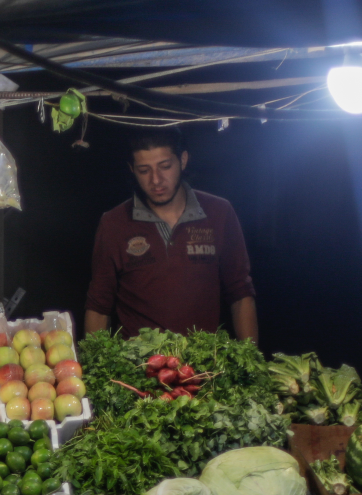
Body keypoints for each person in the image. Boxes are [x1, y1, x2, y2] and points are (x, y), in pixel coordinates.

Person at [85, 129, 259, 340]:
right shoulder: (114, 223)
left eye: (165, 167)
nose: (156, 180)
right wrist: (94, 367)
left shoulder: (219, 212)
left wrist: (250, 359)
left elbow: (241, 294)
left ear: (183, 160)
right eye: (143, 170)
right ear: (131, 169)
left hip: (203, 365)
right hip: (136, 367)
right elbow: (99, 306)